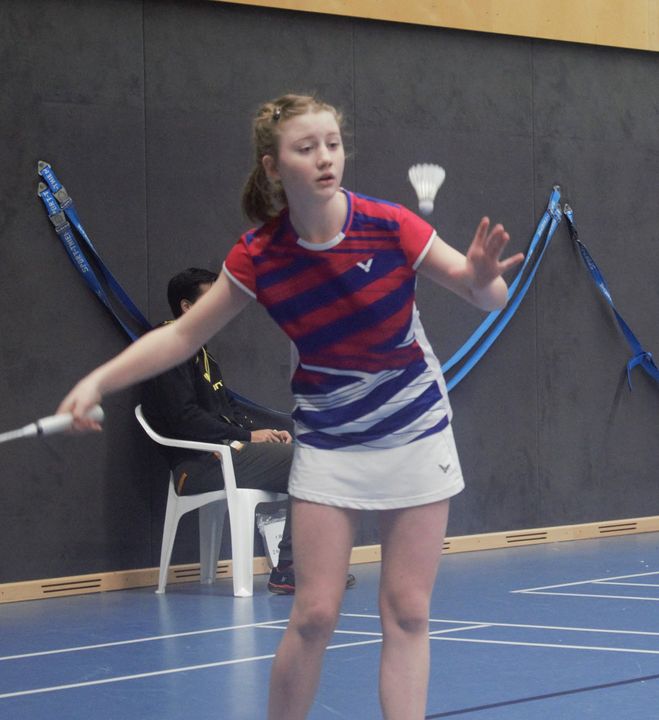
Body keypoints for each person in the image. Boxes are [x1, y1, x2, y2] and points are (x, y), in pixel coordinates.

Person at [58, 93, 524, 719]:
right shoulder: (260, 255)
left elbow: (485, 295)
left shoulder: (389, 224)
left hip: (415, 431)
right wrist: (98, 381)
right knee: (314, 614)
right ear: (274, 167)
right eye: (307, 148)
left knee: (408, 612)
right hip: (329, 442)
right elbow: (181, 336)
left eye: (333, 143)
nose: (326, 157)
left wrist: (483, 277)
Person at [141, 266, 338, 595]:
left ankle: (308, 565)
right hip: (197, 466)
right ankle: (290, 568)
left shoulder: (200, 352)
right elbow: (183, 419)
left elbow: (228, 411)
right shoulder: (168, 346)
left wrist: (264, 432)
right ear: (187, 307)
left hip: (226, 455)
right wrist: (247, 437)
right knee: (311, 461)